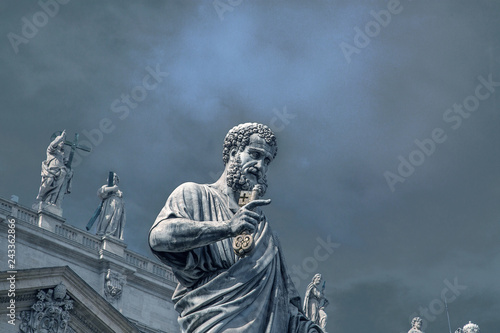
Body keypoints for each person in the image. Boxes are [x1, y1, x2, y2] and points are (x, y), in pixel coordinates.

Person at [149, 123, 323, 333]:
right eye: (255, 154)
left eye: (266, 160)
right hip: (214, 323)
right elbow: (158, 237)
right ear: (233, 153)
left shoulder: (264, 231)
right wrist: (227, 228)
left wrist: (306, 328)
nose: (260, 166)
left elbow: (283, 300)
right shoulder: (194, 194)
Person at [36, 130, 73, 208]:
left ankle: (52, 202)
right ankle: (42, 198)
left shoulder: (62, 155)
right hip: (51, 172)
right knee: (49, 182)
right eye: (60, 142)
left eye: (63, 142)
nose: (62, 143)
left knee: (57, 189)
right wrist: (61, 138)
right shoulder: (51, 151)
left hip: (61, 172)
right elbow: (52, 145)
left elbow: (66, 164)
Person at [95, 173, 126, 239]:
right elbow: (100, 192)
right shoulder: (106, 186)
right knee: (108, 216)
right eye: (113, 178)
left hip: (118, 204)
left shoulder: (119, 191)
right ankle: (102, 231)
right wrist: (112, 188)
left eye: (116, 178)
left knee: (115, 219)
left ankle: (111, 233)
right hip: (110, 203)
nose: (114, 179)